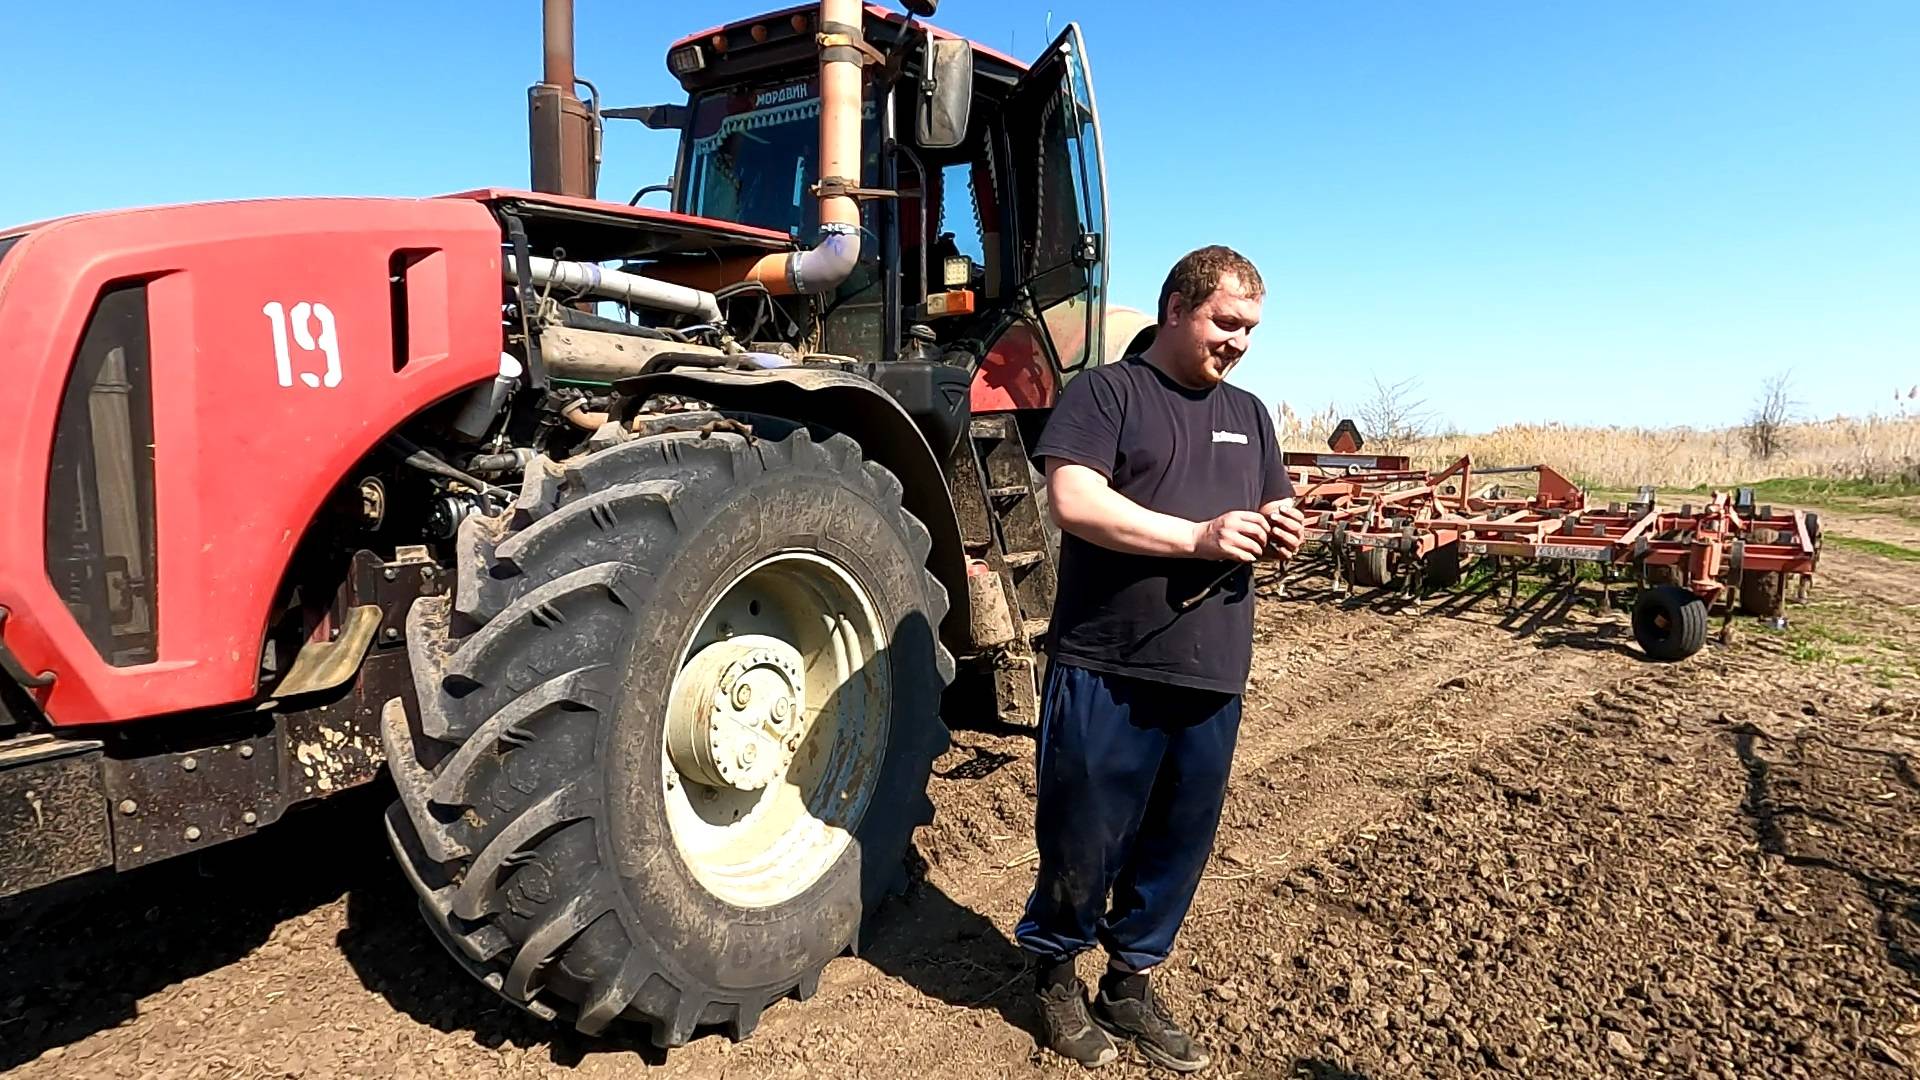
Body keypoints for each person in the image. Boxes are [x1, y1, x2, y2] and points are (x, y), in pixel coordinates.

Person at [1015, 245, 1306, 1071]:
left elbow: (1272, 500)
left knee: (1179, 840)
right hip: (1108, 660)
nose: (1239, 341)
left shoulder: (1249, 414)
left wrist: (1281, 526)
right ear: (1177, 307)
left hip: (1212, 668)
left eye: (1250, 328)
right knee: (1083, 834)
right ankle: (1053, 975)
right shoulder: (1108, 393)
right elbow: (1075, 500)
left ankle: (1130, 984)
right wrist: (1198, 538)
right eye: (1226, 322)